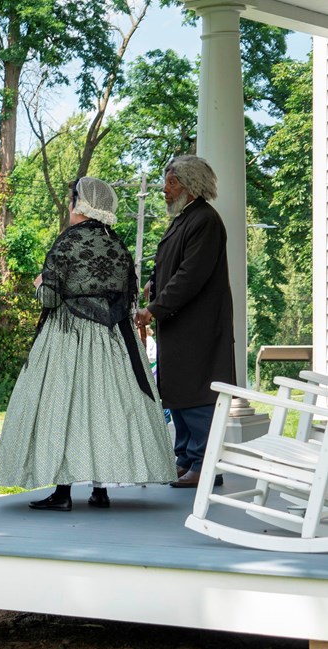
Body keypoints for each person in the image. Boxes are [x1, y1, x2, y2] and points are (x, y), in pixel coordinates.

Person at [0, 177, 175, 510]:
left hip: (69, 337)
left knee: (64, 407)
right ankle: (100, 489)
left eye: (73, 200)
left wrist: (38, 283)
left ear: (83, 204)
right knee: (104, 408)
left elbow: (49, 297)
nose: (70, 206)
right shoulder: (117, 244)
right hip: (113, 341)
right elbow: (127, 296)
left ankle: (63, 494)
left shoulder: (68, 242)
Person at [134, 155, 236, 489]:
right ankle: (185, 459)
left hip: (198, 328)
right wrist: (152, 283)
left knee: (196, 393)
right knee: (177, 391)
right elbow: (170, 264)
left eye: (172, 182)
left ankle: (206, 465)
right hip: (179, 327)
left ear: (191, 186)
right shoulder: (185, 219)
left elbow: (191, 275)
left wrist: (154, 308)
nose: (164, 189)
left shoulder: (204, 220)